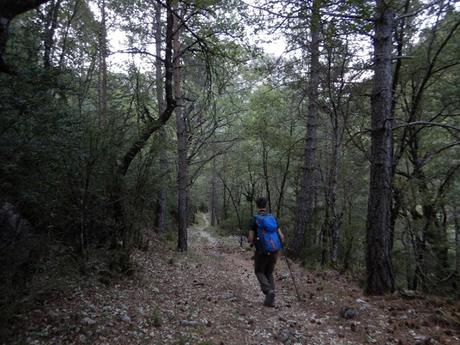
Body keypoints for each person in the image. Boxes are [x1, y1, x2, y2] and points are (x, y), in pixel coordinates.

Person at [248, 197, 285, 307]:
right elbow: (281, 236)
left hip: (262, 250)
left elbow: (250, 237)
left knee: (259, 271)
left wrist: (252, 241)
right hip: (275, 250)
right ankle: (270, 299)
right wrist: (277, 248)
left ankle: (268, 291)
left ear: (257, 206)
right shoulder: (272, 218)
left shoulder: (255, 219)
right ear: (266, 205)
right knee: (269, 272)